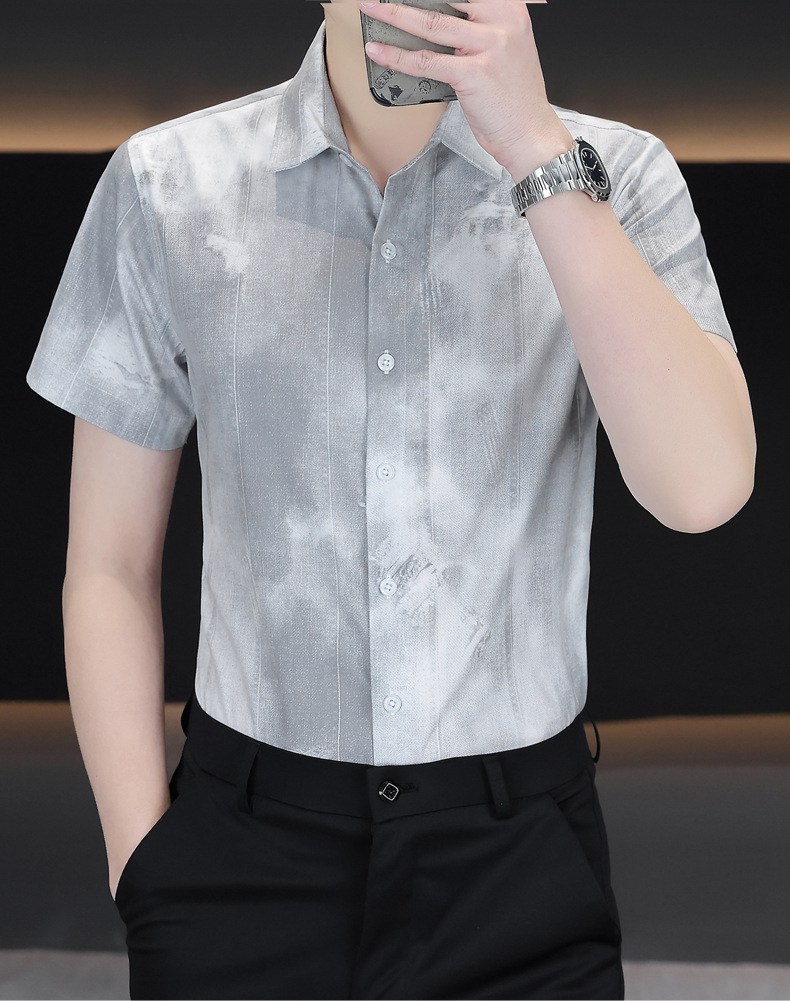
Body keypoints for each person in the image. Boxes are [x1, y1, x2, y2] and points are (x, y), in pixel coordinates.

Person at [25, 1, 756, 998]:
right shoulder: (171, 181)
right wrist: (141, 864)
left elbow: (702, 490)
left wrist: (535, 151)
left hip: (518, 862)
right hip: (242, 852)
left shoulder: (619, 175)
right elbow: (108, 563)